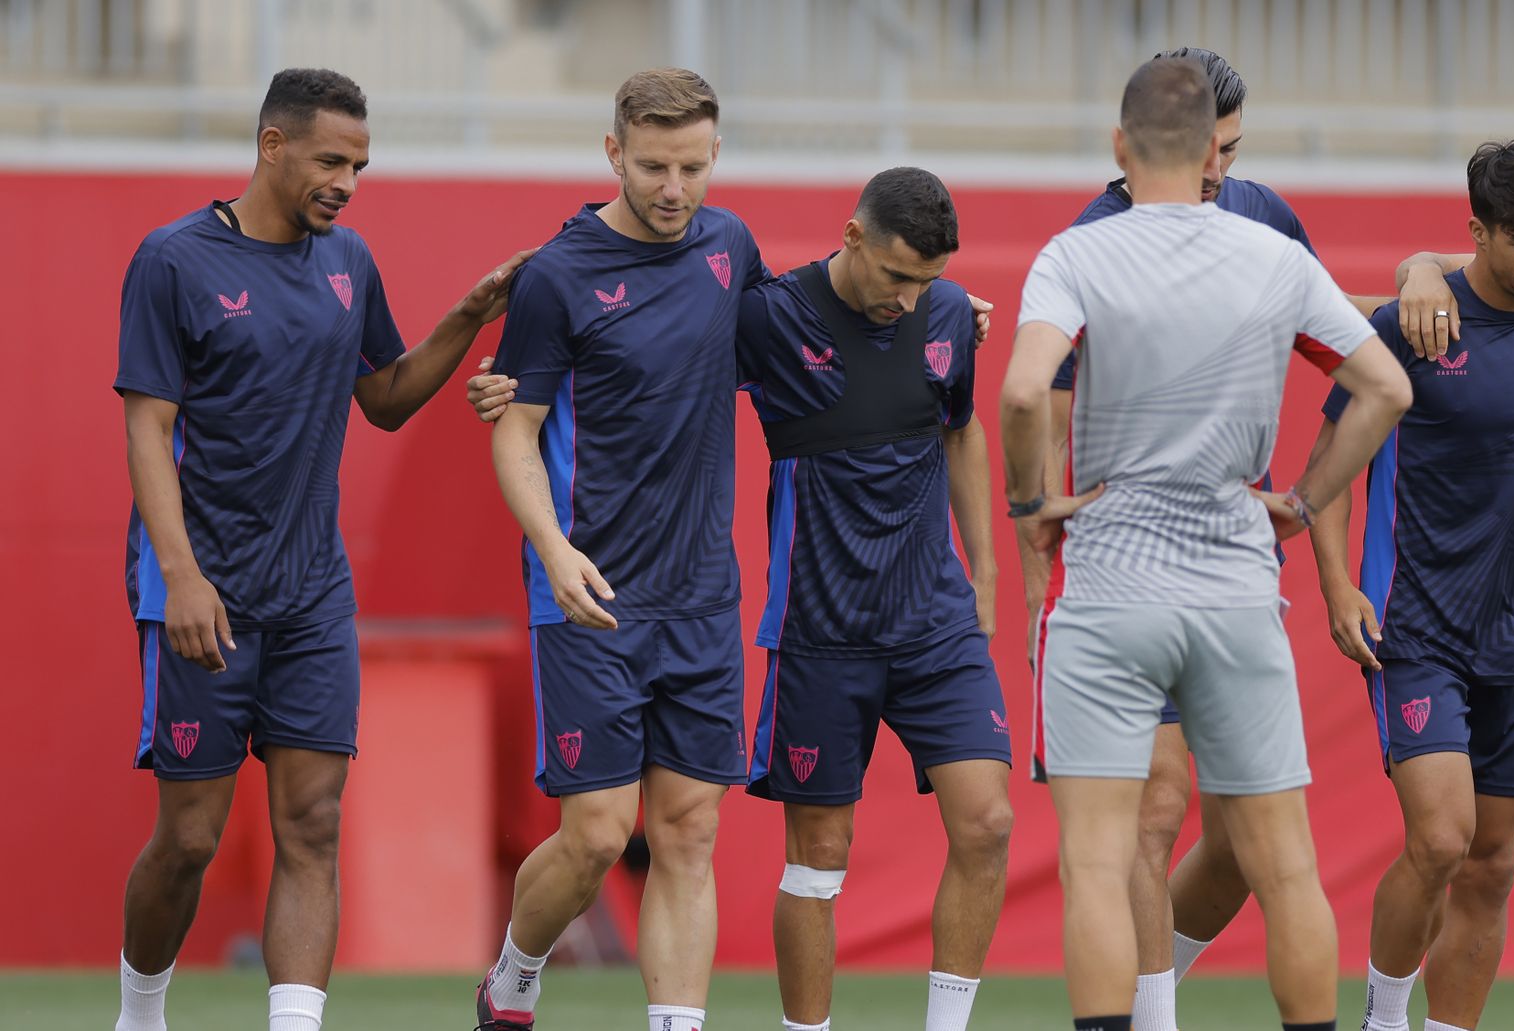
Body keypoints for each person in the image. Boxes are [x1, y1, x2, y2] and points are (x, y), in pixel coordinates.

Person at [112, 68, 528, 1031]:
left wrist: (466, 320)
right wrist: (179, 575)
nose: (347, 180)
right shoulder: (173, 259)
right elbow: (147, 427)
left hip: (310, 599)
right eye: (331, 160)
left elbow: (383, 400)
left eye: (361, 165)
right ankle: (140, 1013)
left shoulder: (350, 263)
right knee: (190, 837)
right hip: (199, 591)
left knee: (314, 822)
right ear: (272, 147)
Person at [1001, 56, 1411, 1031]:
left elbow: (1022, 392)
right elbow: (1386, 387)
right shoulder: (1272, 256)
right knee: (1286, 861)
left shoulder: (1076, 254)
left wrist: (1034, 499)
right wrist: (1301, 501)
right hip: (1234, 584)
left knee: (1098, 859)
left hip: (1107, 585)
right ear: (1211, 153)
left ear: (1118, 146)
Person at [474, 67, 767, 1031]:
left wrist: (944, 319)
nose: (674, 188)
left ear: (716, 153)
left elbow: (812, 338)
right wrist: (555, 550)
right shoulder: (560, 275)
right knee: (600, 834)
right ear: (614, 154)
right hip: (589, 592)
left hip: (701, 598)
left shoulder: (731, 246)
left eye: (691, 165)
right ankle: (516, 971)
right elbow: (514, 431)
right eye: (652, 166)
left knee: (689, 831)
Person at [736, 167, 1011, 1031]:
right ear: (852, 237)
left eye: (926, 281)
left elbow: (961, 434)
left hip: (935, 623)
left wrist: (985, 571)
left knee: (989, 823)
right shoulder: (770, 317)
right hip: (821, 634)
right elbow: (655, 366)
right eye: (898, 276)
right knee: (819, 861)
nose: (909, 298)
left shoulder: (947, 316)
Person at [1368, 142, 1514, 1031]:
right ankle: (1383, 1018)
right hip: (1420, 624)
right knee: (1440, 837)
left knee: (1494, 861)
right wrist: (1339, 581)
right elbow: (1344, 439)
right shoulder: (1416, 320)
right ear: (1479, 231)